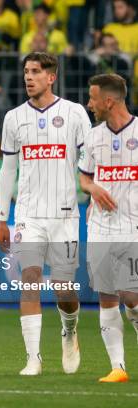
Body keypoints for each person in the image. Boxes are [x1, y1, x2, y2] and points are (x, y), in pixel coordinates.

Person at [0, 52, 92, 376]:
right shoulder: (14, 118)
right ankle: (33, 357)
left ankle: (69, 330)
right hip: (28, 215)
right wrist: (2, 217)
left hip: (65, 215)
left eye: (35, 72)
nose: (28, 77)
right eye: (26, 71)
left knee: (64, 289)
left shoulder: (75, 113)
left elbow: (92, 161)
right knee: (30, 279)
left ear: (51, 77)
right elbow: (7, 170)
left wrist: (92, 197)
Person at [78, 73, 138, 383]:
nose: (89, 104)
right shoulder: (93, 136)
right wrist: (93, 190)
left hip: (133, 227)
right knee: (107, 296)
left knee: (132, 296)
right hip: (100, 227)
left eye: (92, 98)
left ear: (109, 101)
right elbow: (84, 177)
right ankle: (119, 368)